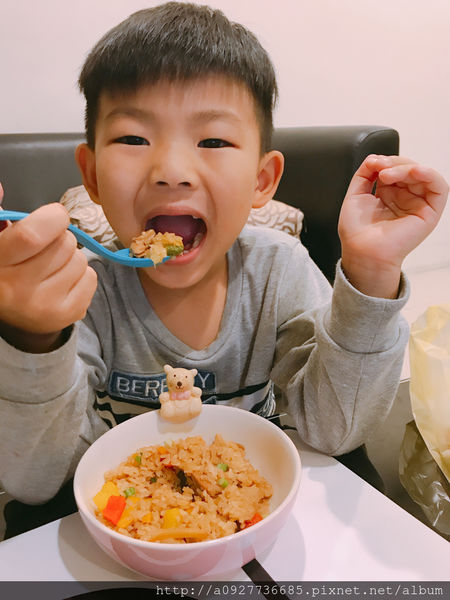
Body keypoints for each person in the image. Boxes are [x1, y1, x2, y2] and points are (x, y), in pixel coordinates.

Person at [0, 2, 448, 519]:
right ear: (92, 175)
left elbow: (336, 431)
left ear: (262, 180)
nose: (172, 170)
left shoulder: (278, 270)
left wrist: (370, 275)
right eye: (133, 138)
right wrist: (32, 338)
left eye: (213, 140)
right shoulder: (78, 292)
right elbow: (41, 481)